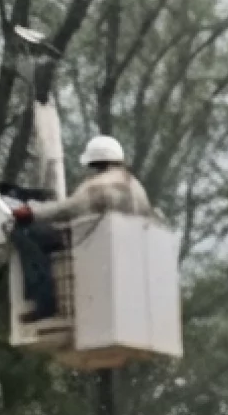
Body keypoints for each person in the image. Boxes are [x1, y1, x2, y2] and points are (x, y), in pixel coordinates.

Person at [12, 135, 155, 320]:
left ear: (94, 162)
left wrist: (31, 212)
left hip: (90, 243)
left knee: (26, 233)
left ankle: (44, 303)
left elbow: (65, 210)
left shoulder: (96, 186)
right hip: (120, 253)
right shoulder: (137, 188)